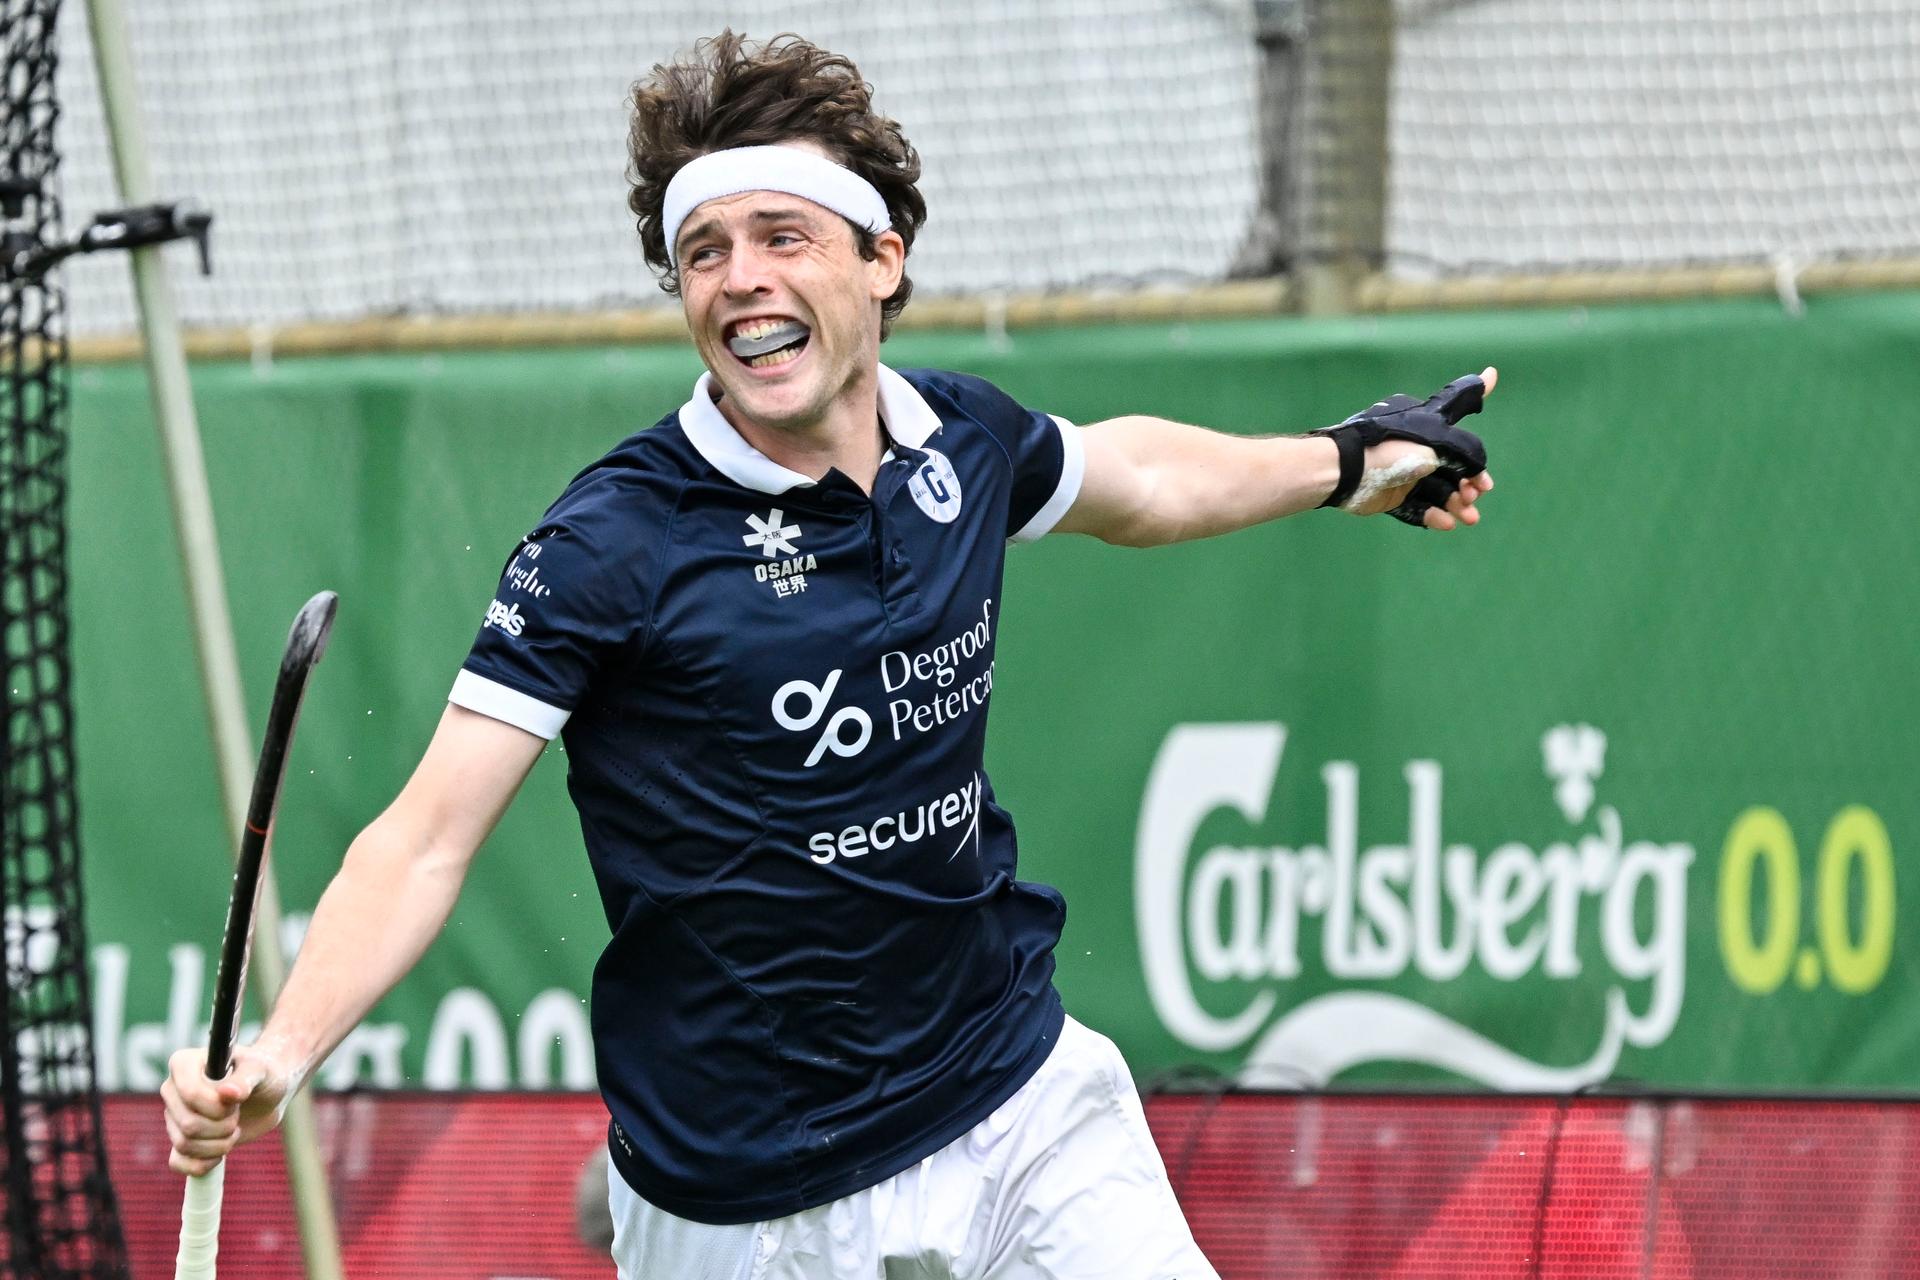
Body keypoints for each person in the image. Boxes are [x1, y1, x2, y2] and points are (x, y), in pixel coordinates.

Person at [161, 30, 1497, 1280]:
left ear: (883, 259)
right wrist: (285, 1050)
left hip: (1010, 1088)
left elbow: (1136, 479)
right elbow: (423, 842)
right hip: (743, 1189)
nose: (739, 277)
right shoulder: (610, 540)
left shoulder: (962, 445)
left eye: (780, 236)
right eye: (702, 252)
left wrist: (1340, 464)